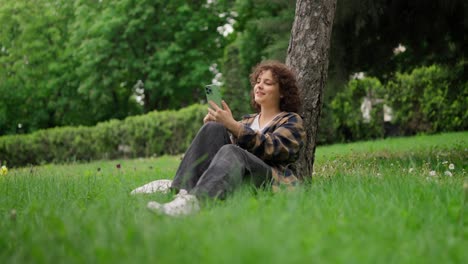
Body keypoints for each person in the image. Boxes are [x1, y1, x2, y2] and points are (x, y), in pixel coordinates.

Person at [142, 60, 306, 216]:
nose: (259, 86)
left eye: (267, 83)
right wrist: (220, 126)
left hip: (269, 180)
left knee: (232, 150)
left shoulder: (291, 120)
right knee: (213, 128)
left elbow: (275, 149)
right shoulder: (247, 121)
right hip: (239, 177)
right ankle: (180, 193)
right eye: (257, 81)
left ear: (283, 92)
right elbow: (223, 153)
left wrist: (234, 126)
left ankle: (196, 202)